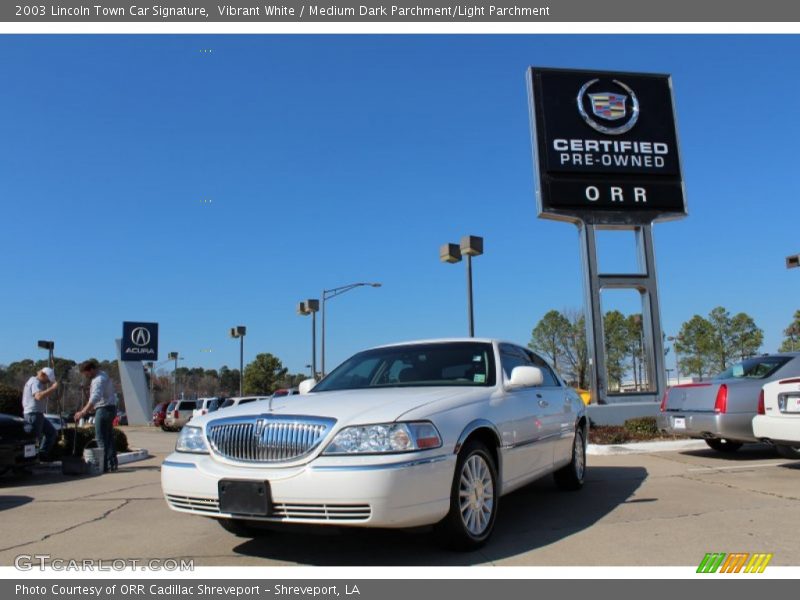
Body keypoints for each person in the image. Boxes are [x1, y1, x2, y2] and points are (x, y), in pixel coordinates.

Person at [75, 360, 118, 473]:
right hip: (110, 408)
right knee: (108, 437)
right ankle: (111, 463)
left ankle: (103, 465)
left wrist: (83, 412)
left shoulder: (98, 380)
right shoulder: (103, 375)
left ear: (92, 370)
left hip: (104, 409)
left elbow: (95, 397)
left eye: (86, 373)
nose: (86, 376)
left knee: (100, 437)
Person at [22, 367, 60, 459]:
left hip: (37, 414)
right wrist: (52, 388)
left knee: (51, 433)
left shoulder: (34, 381)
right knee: (34, 439)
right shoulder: (36, 382)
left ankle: (42, 455)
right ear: (43, 375)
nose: (47, 382)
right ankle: (30, 460)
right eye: (47, 380)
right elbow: (38, 396)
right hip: (33, 414)